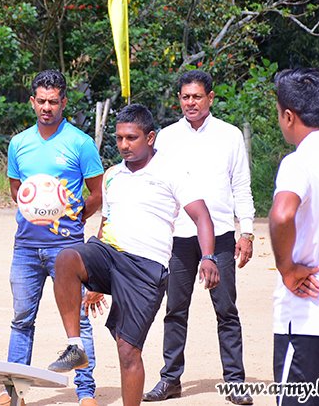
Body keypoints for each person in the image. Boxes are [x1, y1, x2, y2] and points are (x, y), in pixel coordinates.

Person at [48, 104, 220, 406]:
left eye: (132, 138)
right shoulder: (113, 175)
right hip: (110, 254)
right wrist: (93, 280)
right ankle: (75, 346)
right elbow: (106, 221)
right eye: (119, 138)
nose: (124, 145)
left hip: (146, 269)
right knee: (66, 258)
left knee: (128, 350)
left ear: (150, 137)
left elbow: (202, 217)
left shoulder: (171, 171)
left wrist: (208, 257)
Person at [143, 70, 255, 405]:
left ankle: (235, 381)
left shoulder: (229, 136)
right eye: (185, 97)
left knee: (226, 310)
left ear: (210, 97)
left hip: (220, 237)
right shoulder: (165, 138)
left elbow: (241, 187)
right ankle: (170, 379)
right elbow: (157, 186)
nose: (191, 103)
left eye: (197, 97)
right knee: (175, 309)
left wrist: (246, 231)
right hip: (178, 237)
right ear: (179, 99)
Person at [0, 70, 104, 406]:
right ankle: (15, 392)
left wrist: (76, 216)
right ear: (32, 102)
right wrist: (38, 209)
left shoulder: (80, 142)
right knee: (21, 319)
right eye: (41, 101)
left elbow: (98, 192)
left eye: (53, 102)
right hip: (26, 246)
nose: (46, 107)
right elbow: (17, 188)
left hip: (66, 248)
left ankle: (85, 392)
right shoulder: (19, 143)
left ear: (64, 103)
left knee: (79, 321)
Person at [269, 67, 319, 406]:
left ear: (288, 115)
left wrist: (287, 268)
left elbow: (282, 214)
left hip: (309, 315)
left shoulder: (301, 162)